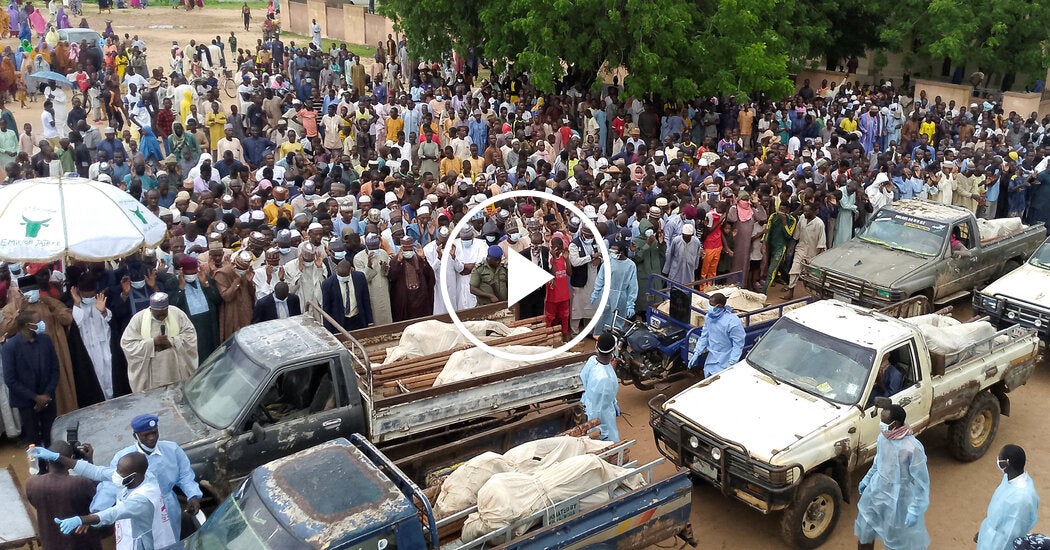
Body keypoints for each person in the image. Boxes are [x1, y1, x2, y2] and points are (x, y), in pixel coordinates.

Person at [29, 447, 177, 550]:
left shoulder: (143, 499)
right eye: (117, 470)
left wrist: (81, 519)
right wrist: (58, 457)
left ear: (134, 475)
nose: (116, 474)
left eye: (120, 472)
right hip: (130, 535)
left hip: (148, 544)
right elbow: (96, 471)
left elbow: (112, 513)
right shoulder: (135, 477)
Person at [90, 414, 203, 540]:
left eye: (154, 432)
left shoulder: (172, 450)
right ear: (135, 436)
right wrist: (98, 511)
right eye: (146, 435)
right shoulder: (124, 458)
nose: (152, 438)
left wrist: (193, 496)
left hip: (169, 508)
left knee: (170, 539)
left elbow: (185, 476)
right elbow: (110, 486)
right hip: (139, 510)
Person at [855, 404, 930, 550]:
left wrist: (915, 509)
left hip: (898, 500)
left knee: (895, 541)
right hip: (876, 490)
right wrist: (867, 478)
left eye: (884, 421)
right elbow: (878, 462)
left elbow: (922, 482)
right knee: (865, 530)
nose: (881, 424)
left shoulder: (912, 447)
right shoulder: (883, 438)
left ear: (894, 424)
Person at [1, 274, 76, 414]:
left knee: (58, 390)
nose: (32, 293)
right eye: (28, 290)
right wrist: (20, 311)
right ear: (20, 292)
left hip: (53, 354)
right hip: (27, 361)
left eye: (34, 289)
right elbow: (5, 330)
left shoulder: (48, 302)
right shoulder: (10, 309)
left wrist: (52, 309)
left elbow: (68, 319)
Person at [2, 310, 58, 464]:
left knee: (51, 436)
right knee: (32, 440)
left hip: (48, 398)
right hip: (27, 404)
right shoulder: (10, 347)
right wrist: (35, 398)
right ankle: (38, 472)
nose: (41, 323)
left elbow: (55, 369)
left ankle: (55, 467)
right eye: (37, 321)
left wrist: (46, 394)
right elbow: (10, 380)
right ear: (28, 326)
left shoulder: (45, 340)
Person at [25, 441, 103, 550]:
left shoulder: (32, 483)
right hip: (82, 543)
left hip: (51, 543)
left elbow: (36, 503)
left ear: (47, 458)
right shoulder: (81, 483)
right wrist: (89, 461)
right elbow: (99, 500)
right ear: (71, 459)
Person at [119, 293, 198, 393]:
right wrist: (152, 343)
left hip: (176, 372)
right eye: (158, 314)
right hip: (153, 379)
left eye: (164, 313)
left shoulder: (176, 313)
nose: (162, 316)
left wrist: (173, 341)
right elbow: (127, 344)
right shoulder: (138, 319)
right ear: (152, 309)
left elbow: (190, 335)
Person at [975, 444, 1040, 550]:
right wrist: (984, 533)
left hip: (1000, 545)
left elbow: (1011, 535)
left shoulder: (1021, 499)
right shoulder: (1009, 478)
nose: (997, 460)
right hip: (991, 537)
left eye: (999, 458)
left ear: (1006, 463)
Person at [169, 256, 222, 360]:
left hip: (208, 325)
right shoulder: (172, 283)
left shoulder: (206, 279)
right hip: (189, 327)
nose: (191, 276)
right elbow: (173, 307)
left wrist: (206, 284)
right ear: (181, 271)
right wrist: (181, 288)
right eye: (188, 273)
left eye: (193, 273)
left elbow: (218, 300)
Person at [70, 275, 114, 399]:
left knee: (108, 377)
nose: (89, 298)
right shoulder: (74, 307)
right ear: (79, 292)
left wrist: (103, 311)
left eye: (91, 296)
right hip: (87, 349)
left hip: (103, 347)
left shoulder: (100, 302)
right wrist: (77, 304)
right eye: (86, 296)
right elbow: (74, 325)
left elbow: (109, 321)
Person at [687, 292, 745, 377]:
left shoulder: (732, 322)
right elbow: (704, 336)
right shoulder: (709, 317)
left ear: (719, 306)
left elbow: (738, 344)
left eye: (712, 305)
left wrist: (732, 362)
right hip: (712, 357)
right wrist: (697, 352)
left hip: (726, 359)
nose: (709, 307)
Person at [591, 239, 637, 337]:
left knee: (617, 321)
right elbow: (600, 278)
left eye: (614, 252)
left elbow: (633, 286)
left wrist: (630, 304)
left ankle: (614, 343)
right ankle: (599, 340)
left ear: (621, 252)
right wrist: (596, 292)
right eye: (610, 251)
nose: (611, 254)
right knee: (602, 318)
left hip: (621, 297)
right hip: (605, 295)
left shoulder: (631, 265)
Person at [580, 332, 620, 442]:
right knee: (612, 443)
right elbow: (598, 410)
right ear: (613, 350)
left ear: (597, 347)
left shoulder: (592, 360)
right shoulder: (605, 379)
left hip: (587, 405)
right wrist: (601, 431)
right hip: (601, 416)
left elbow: (583, 378)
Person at [387, 236, 436, 321]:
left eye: (410, 249)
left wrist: (424, 259)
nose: (408, 251)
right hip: (404, 302)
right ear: (401, 248)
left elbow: (430, 276)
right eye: (405, 249)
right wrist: (398, 261)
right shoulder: (395, 260)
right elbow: (391, 277)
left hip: (420, 300)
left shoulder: (419, 258)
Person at [785, 203, 826, 299]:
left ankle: (815, 295)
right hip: (801, 249)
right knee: (794, 270)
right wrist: (791, 247)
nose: (804, 213)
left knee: (813, 276)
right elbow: (797, 234)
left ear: (813, 211)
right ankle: (790, 292)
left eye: (807, 211)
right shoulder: (802, 218)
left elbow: (822, 242)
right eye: (804, 210)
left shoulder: (819, 223)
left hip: (813, 253)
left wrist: (819, 256)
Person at [320, 259, 372, 332]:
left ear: (351, 270)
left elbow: (366, 300)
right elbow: (326, 309)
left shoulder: (360, 277)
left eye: (345, 276)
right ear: (336, 271)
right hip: (339, 323)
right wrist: (328, 330)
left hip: (358, 319)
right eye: (340, 276)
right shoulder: (327, 284)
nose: (343, 278)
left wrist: (370, 321)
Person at [354, 233, 392, 325]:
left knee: (387, 319)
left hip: (384, 292)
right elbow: (361, 280)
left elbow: (388, 274)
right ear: (366, 246)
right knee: (374, 319)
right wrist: (369, 267)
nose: (374, 250)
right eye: (372, 247)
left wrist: (385, 269)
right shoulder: (358, 258)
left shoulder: (383, 253)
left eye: (376, 247)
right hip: (370, 293)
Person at [545, 234, 572, 337]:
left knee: (565, 316)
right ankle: (549, 336)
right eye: (553, 248)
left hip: (564, 294)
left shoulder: (564, 258)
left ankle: (565, 335)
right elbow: (551, 274)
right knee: (550, 317)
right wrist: (554, 259)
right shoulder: (548, 258)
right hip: (552, 295)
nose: (555, 250)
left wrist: (567, 260)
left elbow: (570, 273)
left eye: (557, 248)